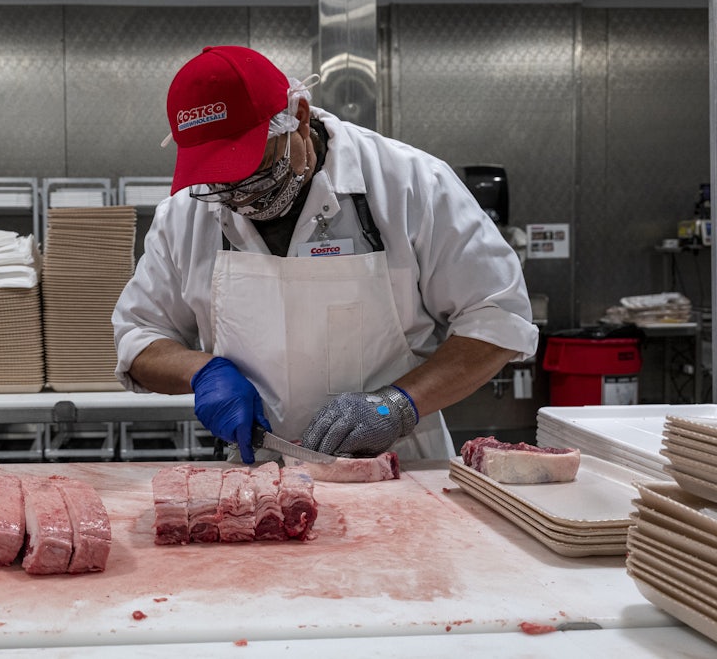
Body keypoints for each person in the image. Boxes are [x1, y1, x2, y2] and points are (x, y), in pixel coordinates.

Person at [112, 45, 539, 464]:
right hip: (257, 479)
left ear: (297, 118)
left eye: (252, 172)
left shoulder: (409, 184)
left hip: (396, 469)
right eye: (221, 184)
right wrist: (201, 372)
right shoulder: (186, 213)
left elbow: (498, 317)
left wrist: (396, 405)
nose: (241, 200)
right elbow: (139, 336)